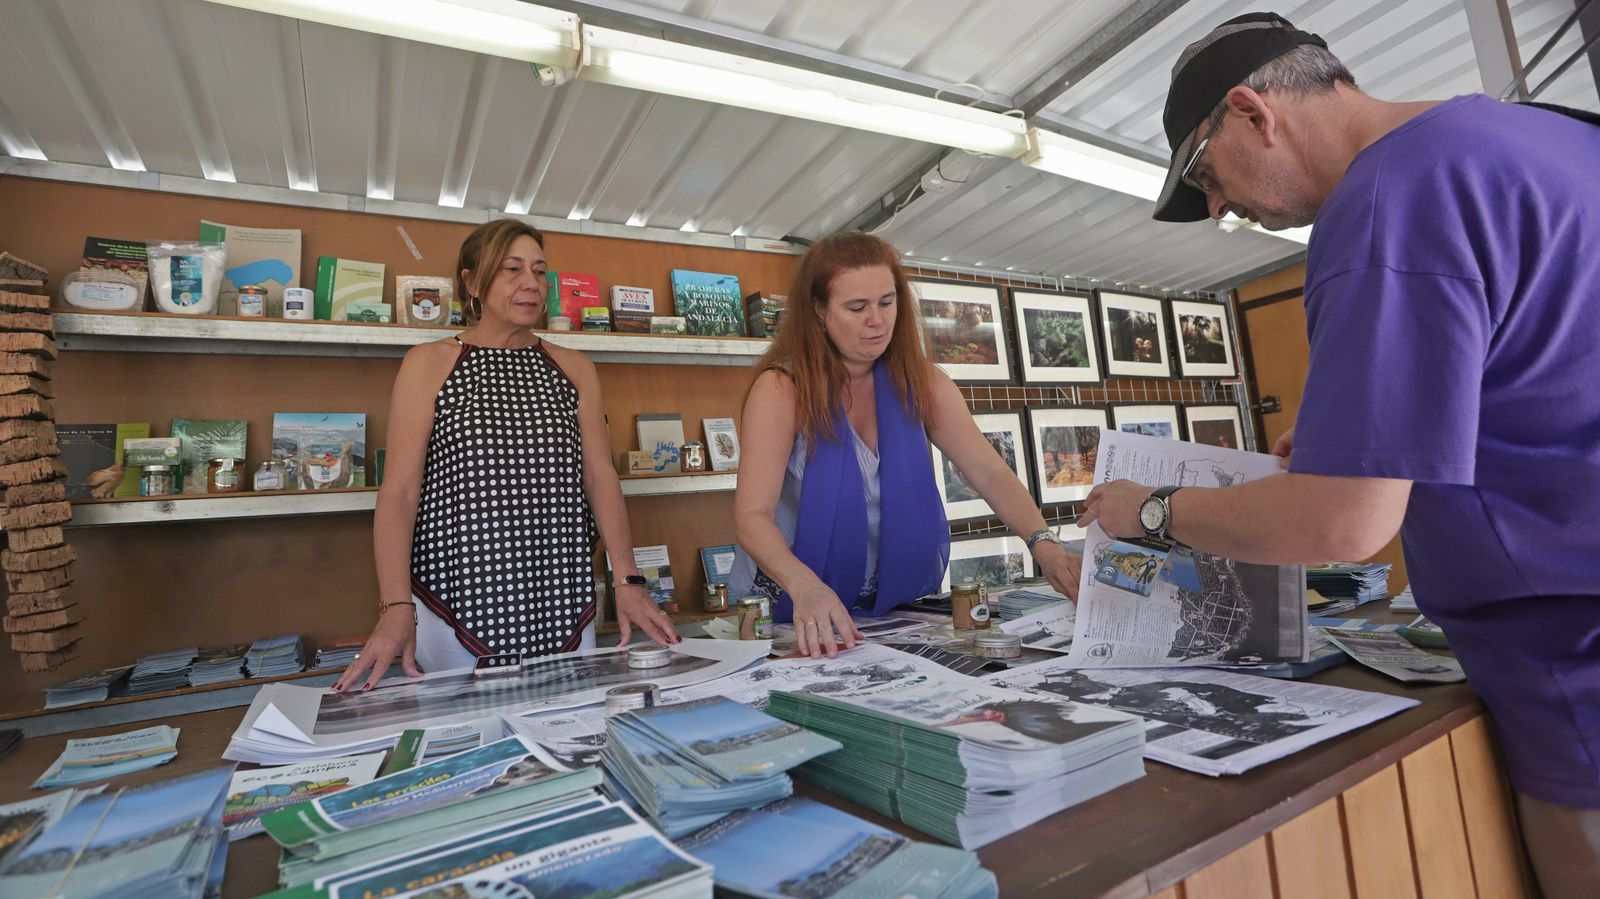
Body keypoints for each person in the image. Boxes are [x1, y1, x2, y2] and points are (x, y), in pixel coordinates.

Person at [1078, 13, 1600, 894]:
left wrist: (1152, 512)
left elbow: (1342, 521)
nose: (1217, 209)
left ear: (1252, 110)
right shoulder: (1542, 133)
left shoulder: (1386, 198)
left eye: (1206, 175)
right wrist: (1369, 433)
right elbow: (1549, 376)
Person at [334, 220, 676, 692]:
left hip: (561, 593)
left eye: (539, 271)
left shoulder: (573, 368)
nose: (531, 284)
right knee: (470, 742)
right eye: (511, 269)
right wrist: (396, 607)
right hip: (455, 600)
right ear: (472, 282)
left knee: (566, 733)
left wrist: (629, 582)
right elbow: (399, 493)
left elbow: (600, 478)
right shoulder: (428, 364)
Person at [730, 232, 1082, 659]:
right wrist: (805, 586)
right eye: (857, 307)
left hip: (891, 608)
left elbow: (989, 472)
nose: (876, 320)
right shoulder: (781, 389)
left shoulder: (925, 383)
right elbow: (753, 516)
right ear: (818, 311)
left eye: (886, 301)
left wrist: (1042, 542)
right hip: (789, 605)